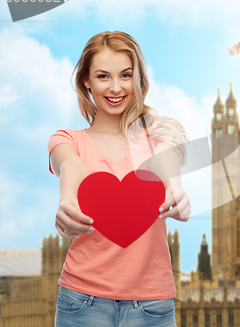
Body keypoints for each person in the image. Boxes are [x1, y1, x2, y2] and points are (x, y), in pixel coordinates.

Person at [47, 31, 190, 327]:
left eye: (125, 75)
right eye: (103, 76)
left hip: (152, 305)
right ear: (86, 80)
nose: (115, 87)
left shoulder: (157, 138)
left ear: (137, 79)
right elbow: (70, 165)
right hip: (81, 302)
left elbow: (167, 157)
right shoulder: (67, 140)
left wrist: (175, 190)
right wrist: (68, 199)